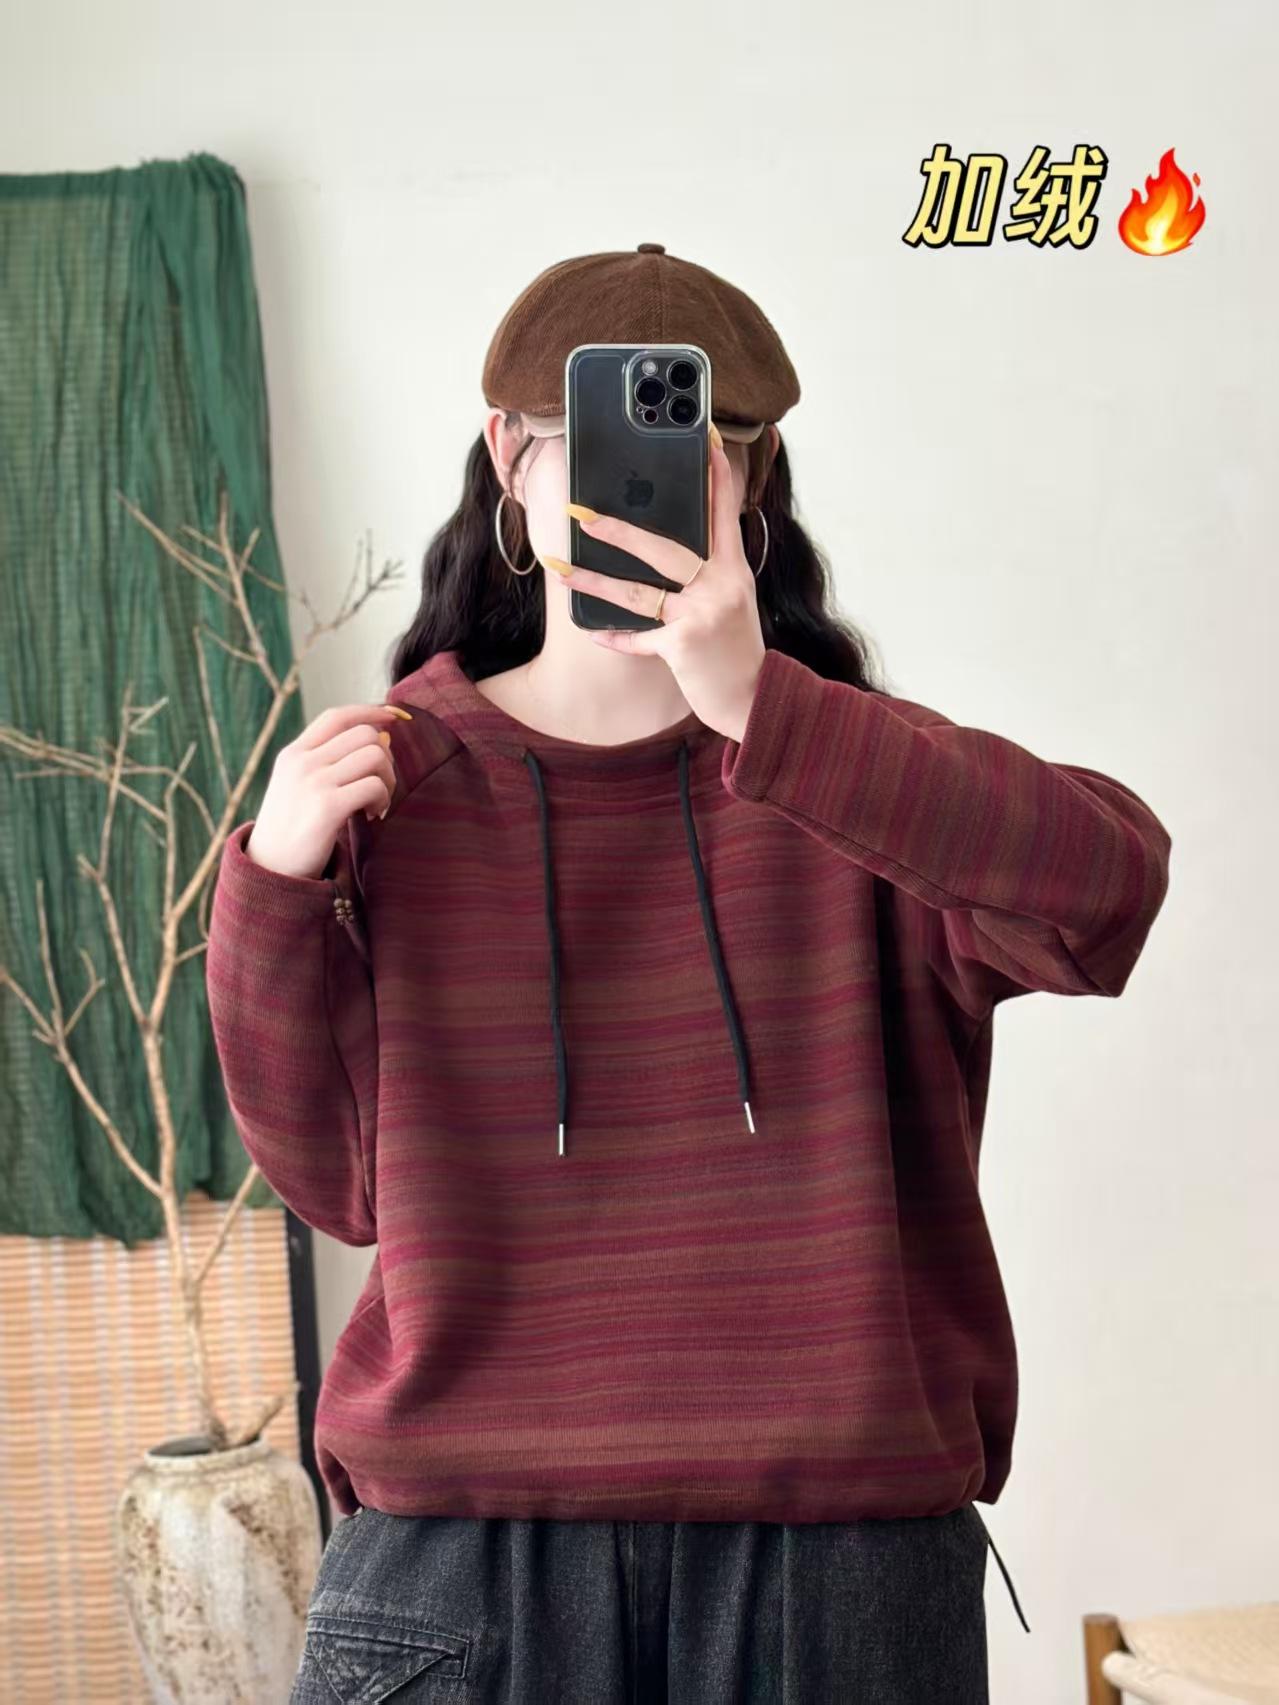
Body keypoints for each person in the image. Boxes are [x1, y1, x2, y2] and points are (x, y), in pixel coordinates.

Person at [204, 243, 1173, 1703]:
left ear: (751, 477)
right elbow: (338, 1190)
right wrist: (272, 893)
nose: (642, 481)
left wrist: (767, 710)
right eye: (594, 437)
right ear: (510, 458)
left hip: (834, 1572)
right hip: (468, 1561)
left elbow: (1107, 893)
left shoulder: (854, 780)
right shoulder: (390, 789)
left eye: (697, 445)